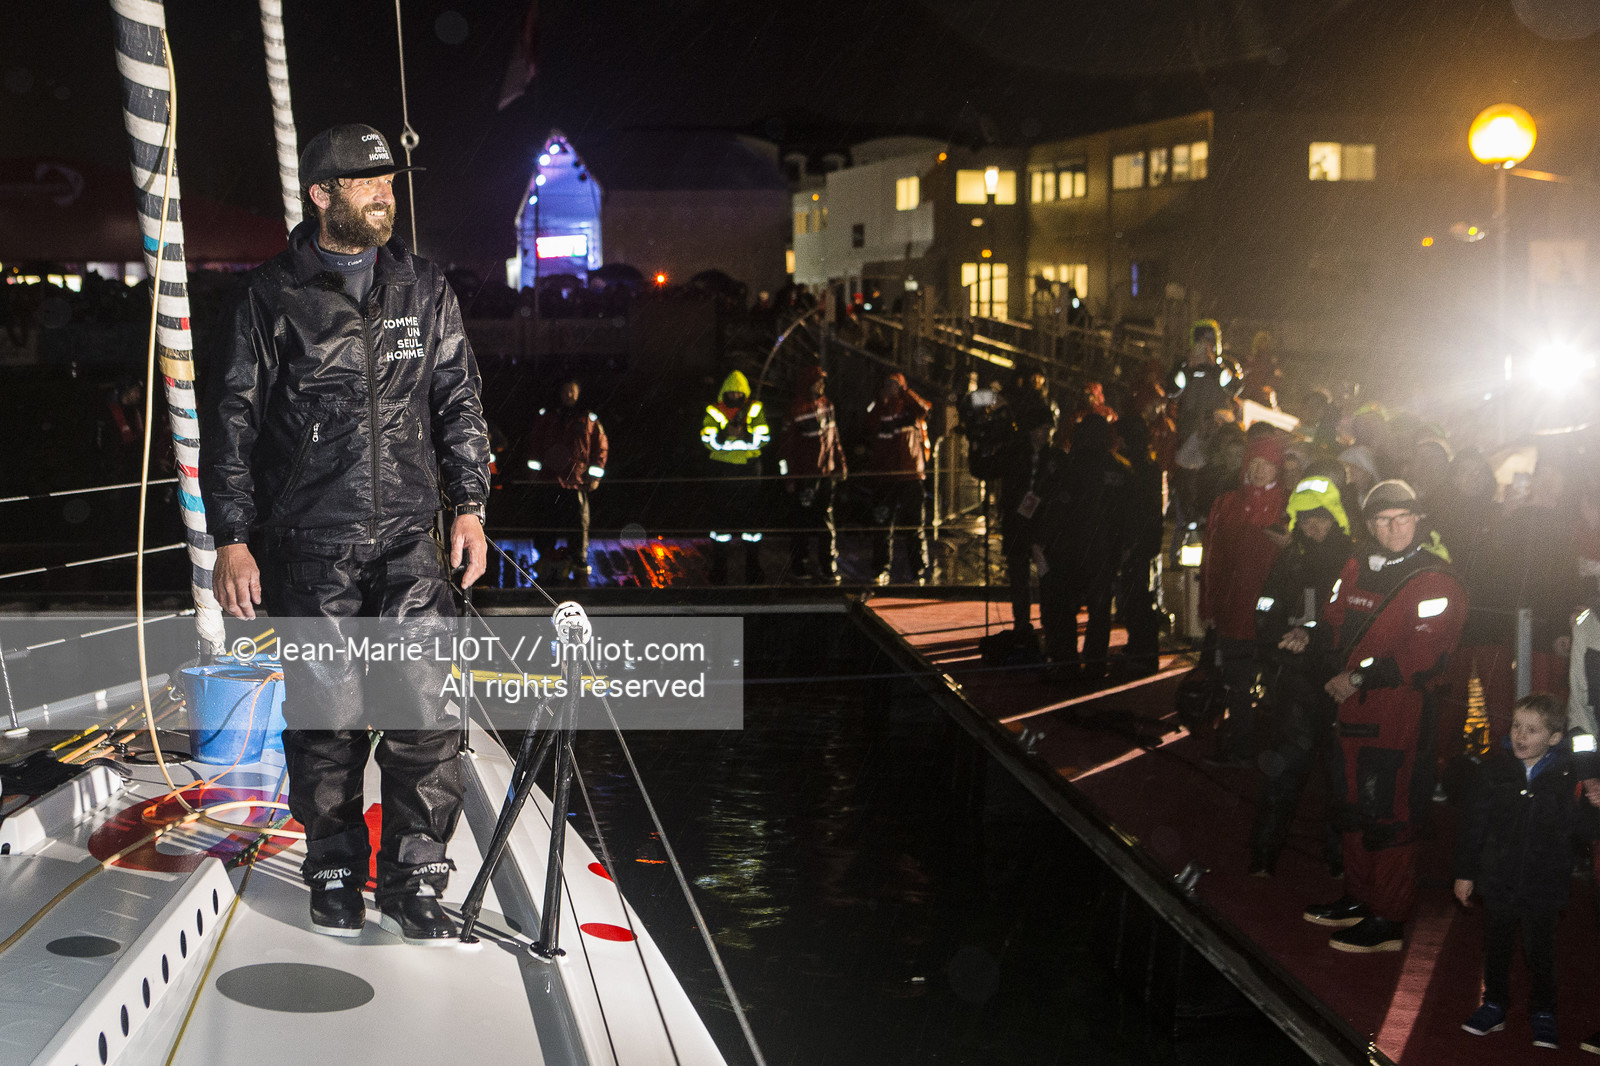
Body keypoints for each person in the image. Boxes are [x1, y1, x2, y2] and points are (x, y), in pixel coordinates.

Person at [201, 123, 489, 943]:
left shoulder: (424, 288)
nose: (384, 195)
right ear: (321, 193)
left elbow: (459, 401)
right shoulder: (270, 296)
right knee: (326, 723)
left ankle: (414, 878)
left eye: (389, 181)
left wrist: (469, 506)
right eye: (366, 182)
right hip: (308, 545)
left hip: (410, 543)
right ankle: (332, 869)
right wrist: (232, 538)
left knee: (424, 718)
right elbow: (231, 424)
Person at [1288, 479, 1465, 953]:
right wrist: (1309, 635)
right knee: (1350, 806)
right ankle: (1359, 897)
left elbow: (1426, 655)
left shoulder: (1437, 578)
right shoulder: (1356, 566)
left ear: (1418, 520)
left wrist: (1358, 677)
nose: (1393, 528)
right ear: (1369, 525)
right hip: (1349, 708)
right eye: (1382, 520)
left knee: (1389, 811)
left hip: (1400, 712)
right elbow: (1333, 620)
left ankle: (1388, 918)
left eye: (1402, 518)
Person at [1455, 693, 1588, 1050]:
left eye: (1532, 730)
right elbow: (1474, 825)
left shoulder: (1566, 778)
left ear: (1555, 738)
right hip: (1498, 878)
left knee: (1539, 951)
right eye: (1516, 726)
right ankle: (1494, 1003)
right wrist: (1465, 873)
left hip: (1543, 883)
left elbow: (1576, 830)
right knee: (1496, 945)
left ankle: (1543, 1011)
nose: (1520, 735)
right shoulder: (1494, 771)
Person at [1248, 474, 1354, 876]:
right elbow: (1266, 607)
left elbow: (1354, 620)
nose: (1314, 526)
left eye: (1321, 518)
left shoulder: (1355, 563)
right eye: (1307, 519)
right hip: (1297, 678)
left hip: (1340, 679)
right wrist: (1276, 641)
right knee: (1286, 766)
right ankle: (1263, 855)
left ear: (1336, 518)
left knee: (1341, 774)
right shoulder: (1289, 559)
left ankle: (1340, 859)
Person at [1199, 432, 1290, 765]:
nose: (1259, 470)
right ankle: (1242, 748)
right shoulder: (1226, 503)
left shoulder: (1290, 504)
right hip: (1234, 608)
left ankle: (1281, 754)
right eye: (1254, 462)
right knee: (1237, 685)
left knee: (1279, 688)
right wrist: (1207, 604)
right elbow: (1212, 558)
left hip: (1275, 614)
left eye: (1267, 464)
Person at [1033, 414, 1128, 682]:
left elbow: (1051, 507)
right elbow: (1126, 515)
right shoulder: (1119, 470)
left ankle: (1066, 664)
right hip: (1103, 550)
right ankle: (1095, 664)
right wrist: (1121, 549)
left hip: (1068, 550)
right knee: (1100, 611)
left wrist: (1041, 543)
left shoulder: (1067, 467)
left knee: (1063, 609)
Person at [521, 377, 607, 585]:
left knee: (578, 524)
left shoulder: (588, 419)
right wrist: (535, 474)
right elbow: (535, 445)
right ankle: (546, 558)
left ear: (578, 394)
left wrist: (595, 476)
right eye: (566, 390)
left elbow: (600, 447)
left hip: (576, 482)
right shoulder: (547, 417)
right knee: (546, 522)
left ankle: (579, 561)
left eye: (573, 391)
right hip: (550, 481)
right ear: (560, 393)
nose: (569, 394)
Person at [992, 404, 1061, 631]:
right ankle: (1021, 624)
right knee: (1019, 576)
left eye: (1049, 429)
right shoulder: (1015, 454)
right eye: (1043, 428)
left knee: (1046, 574)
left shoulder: (1054, 457)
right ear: (1032, 430)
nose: (1046, 433)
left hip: (1043, 523)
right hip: (1017, 522)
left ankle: (1048, 621)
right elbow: (994, 471)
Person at [700, 369, 770, 584]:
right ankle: (719, 569)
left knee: (751, 522)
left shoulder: (755, 409)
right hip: (723, 470)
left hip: (749, 470)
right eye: (732, 392)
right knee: (721, 521)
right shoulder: (714, 410)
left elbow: (764, 437)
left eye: (739, 392)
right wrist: (725, 434)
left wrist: (744, 434)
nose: (735, 395)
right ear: (725, 392)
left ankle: (753, 568)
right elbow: (706, 438)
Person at [780, 365, 846, 582]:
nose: (822, 385)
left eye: (822, 381)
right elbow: (787, 446)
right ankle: (800, 566)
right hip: (805, 475)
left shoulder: (827, 405)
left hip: (824, 474)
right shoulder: (796, 408)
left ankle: (828, 566)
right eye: (818, 381)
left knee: (826, 521)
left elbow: (834, 438)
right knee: (802, 522)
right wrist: (789, 477)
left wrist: (840, 464)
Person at [865, 372, 932, 585]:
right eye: (888, 384)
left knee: (914, 525)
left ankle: (918, 569)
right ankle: (881, 568)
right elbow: (869, 424)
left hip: (911, 473)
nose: (891, 388)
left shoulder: (910, 406)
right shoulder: (880, 406)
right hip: (886, 475)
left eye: (895, 385)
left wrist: (905, 392)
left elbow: (925, 409)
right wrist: (881, 400)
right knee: (883, 523)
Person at [1113, 412, 1165, 677]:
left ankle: (1143, 653)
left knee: (1137, 598)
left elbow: (1135, 510)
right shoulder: (1148, 465)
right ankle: (1140, 649)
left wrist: (1129, 544)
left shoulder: (1134, 466)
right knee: (1137, 596)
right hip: (1144, 540)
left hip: (1136, 542)